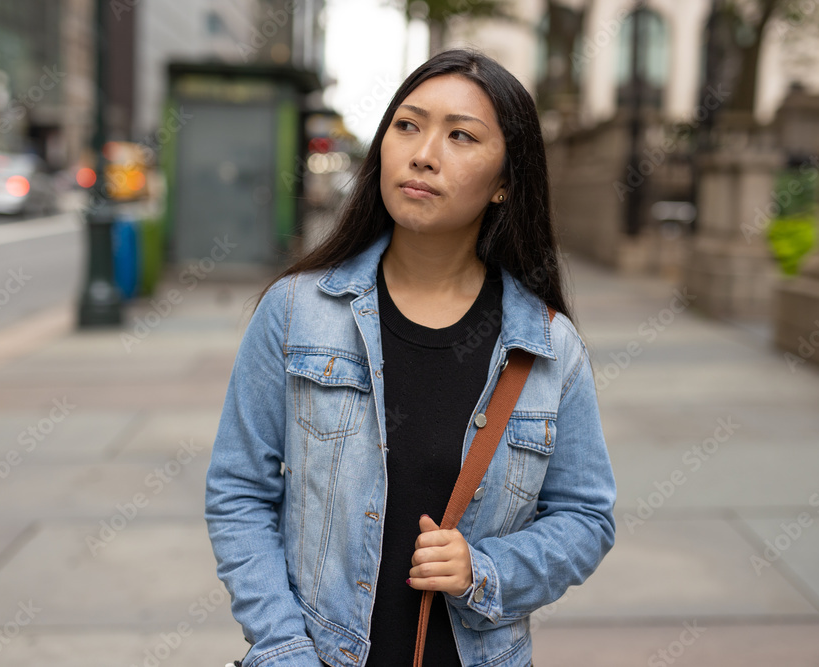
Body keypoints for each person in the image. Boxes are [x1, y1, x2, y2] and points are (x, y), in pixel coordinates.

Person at [205, 49, 617, 667]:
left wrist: (486, 569)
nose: (424, 153)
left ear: (507, 180)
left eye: (460, 136)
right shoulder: (297, 313)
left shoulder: (548, 347)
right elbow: (239, 492)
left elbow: (586, 517)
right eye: (408, 125)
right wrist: (283, 647)